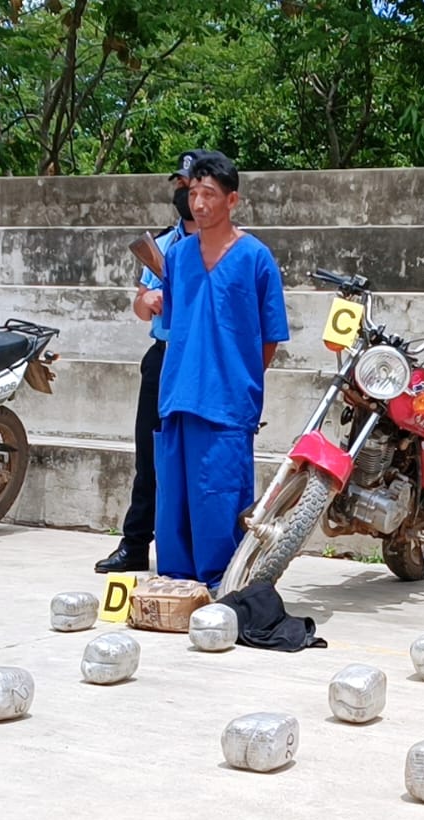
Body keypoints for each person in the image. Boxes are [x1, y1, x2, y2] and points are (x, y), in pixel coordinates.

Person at [154, 151, 289, 588]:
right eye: (193, 193)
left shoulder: (256, 257)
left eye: (209, 194)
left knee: (220, 497)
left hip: (228, 401)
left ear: (232, 201)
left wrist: (238, 379)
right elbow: (174, 322)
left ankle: (222, 585)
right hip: (177, 392)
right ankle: (176, 583)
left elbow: (269, 338)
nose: (198, 203)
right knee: (173, 499)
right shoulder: (177, 257)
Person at [95, 150, 206, 574]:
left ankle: (198, 550)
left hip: (203, 358)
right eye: (179, 185)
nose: (184, 193)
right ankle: (136, 543)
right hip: (163, 356)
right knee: (150, 455)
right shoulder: (161, 244)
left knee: (197, 456)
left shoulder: (227, 246)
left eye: (191, 185)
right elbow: (139, 305)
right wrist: (149, 300)